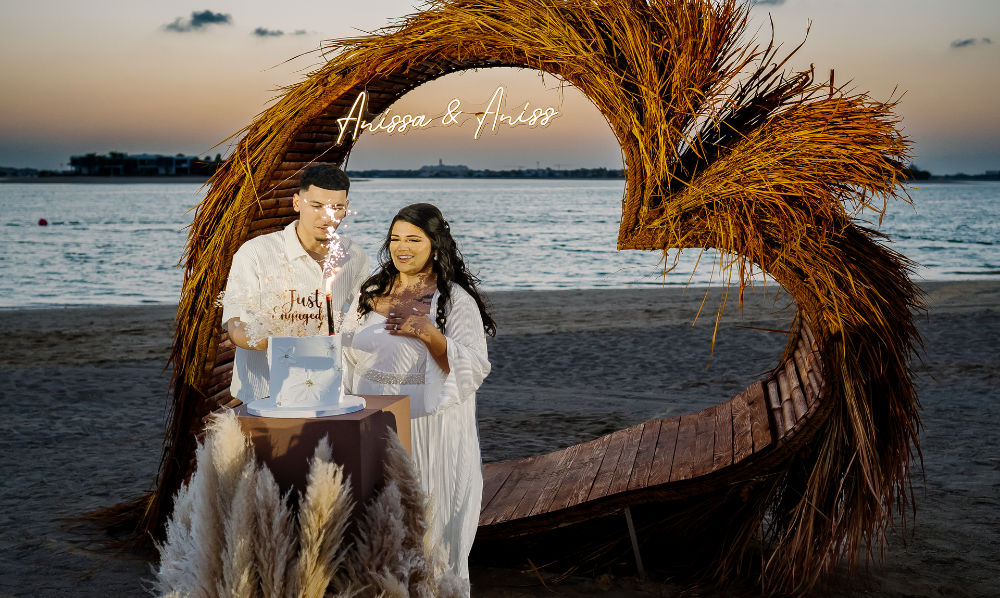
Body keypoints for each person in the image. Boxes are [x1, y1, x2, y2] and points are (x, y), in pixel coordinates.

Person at [341, 203, 495, 586]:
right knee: (377, 530)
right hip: (372, 425)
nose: (401, 247)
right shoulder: (369, 292)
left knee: (427, 532)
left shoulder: (454, 300)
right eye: (395, 238)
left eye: (413, 239)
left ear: (436, 245)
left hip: (429, 429)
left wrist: (426, 332)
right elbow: (342, 350)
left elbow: (472, 367)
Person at [220, 164, 370, 401]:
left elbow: (363, 315)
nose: (326, 217)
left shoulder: (354, 256)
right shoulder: (255, 253)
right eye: (317, 206)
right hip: (264, 393)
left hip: (329, 390)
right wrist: (272, 343)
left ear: (346, 209)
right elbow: (235, 323)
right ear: (297, 202)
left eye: (336, 207)